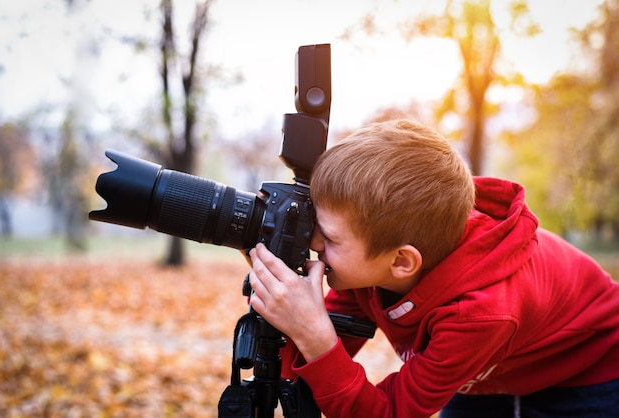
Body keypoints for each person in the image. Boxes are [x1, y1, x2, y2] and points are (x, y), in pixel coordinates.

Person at [246, 119, 619, 418]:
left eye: (328, 238)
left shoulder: (479, 312)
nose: (314, 245)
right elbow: (305, 374)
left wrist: (315, 337)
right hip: (491, 369)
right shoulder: (376, 254)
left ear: (402, 262)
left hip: (588, 369)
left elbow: (390, 411)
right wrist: (283, 305)